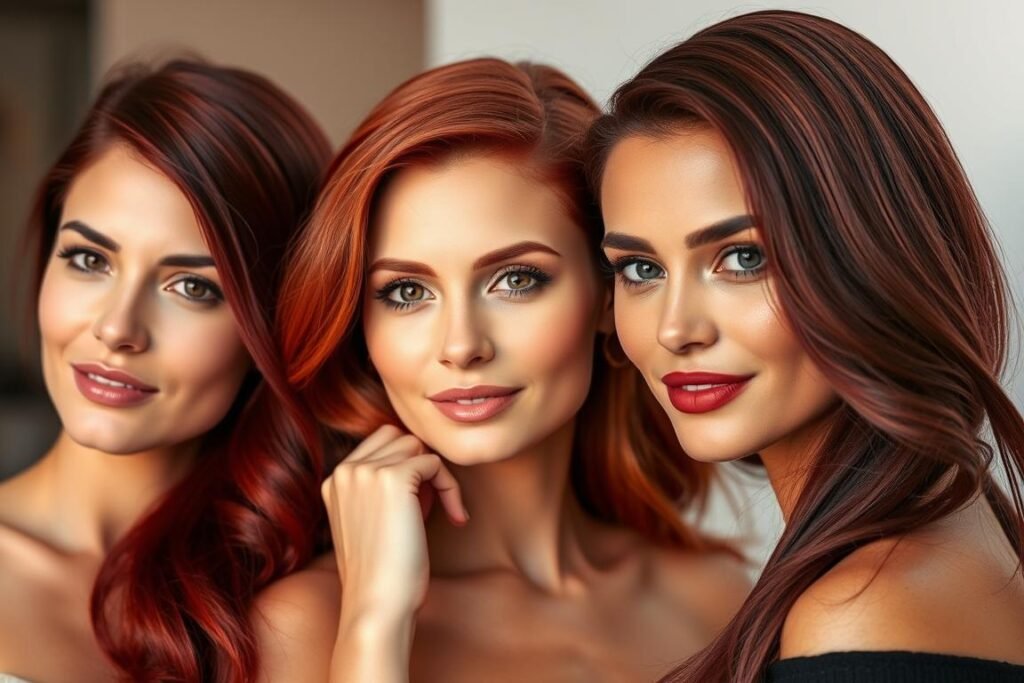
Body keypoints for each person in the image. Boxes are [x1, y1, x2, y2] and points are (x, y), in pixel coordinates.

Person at [255, 58, 749, 682]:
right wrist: (376, 628)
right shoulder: (309, 624)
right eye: (406, 292)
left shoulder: (718, 602)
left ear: (608, 296)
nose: (462, 346)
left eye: (517, 280)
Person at [587, 10, 1024, 683]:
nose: (675, 328)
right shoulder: (960, 523)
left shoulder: (863, 610)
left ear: (873, 252)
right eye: (641, 270)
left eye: (742, 258)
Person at [0, 60, 331, 682]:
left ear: (276, 323)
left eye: (191, 287)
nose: (118, 328)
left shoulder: (300, 606)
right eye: (88, 258)